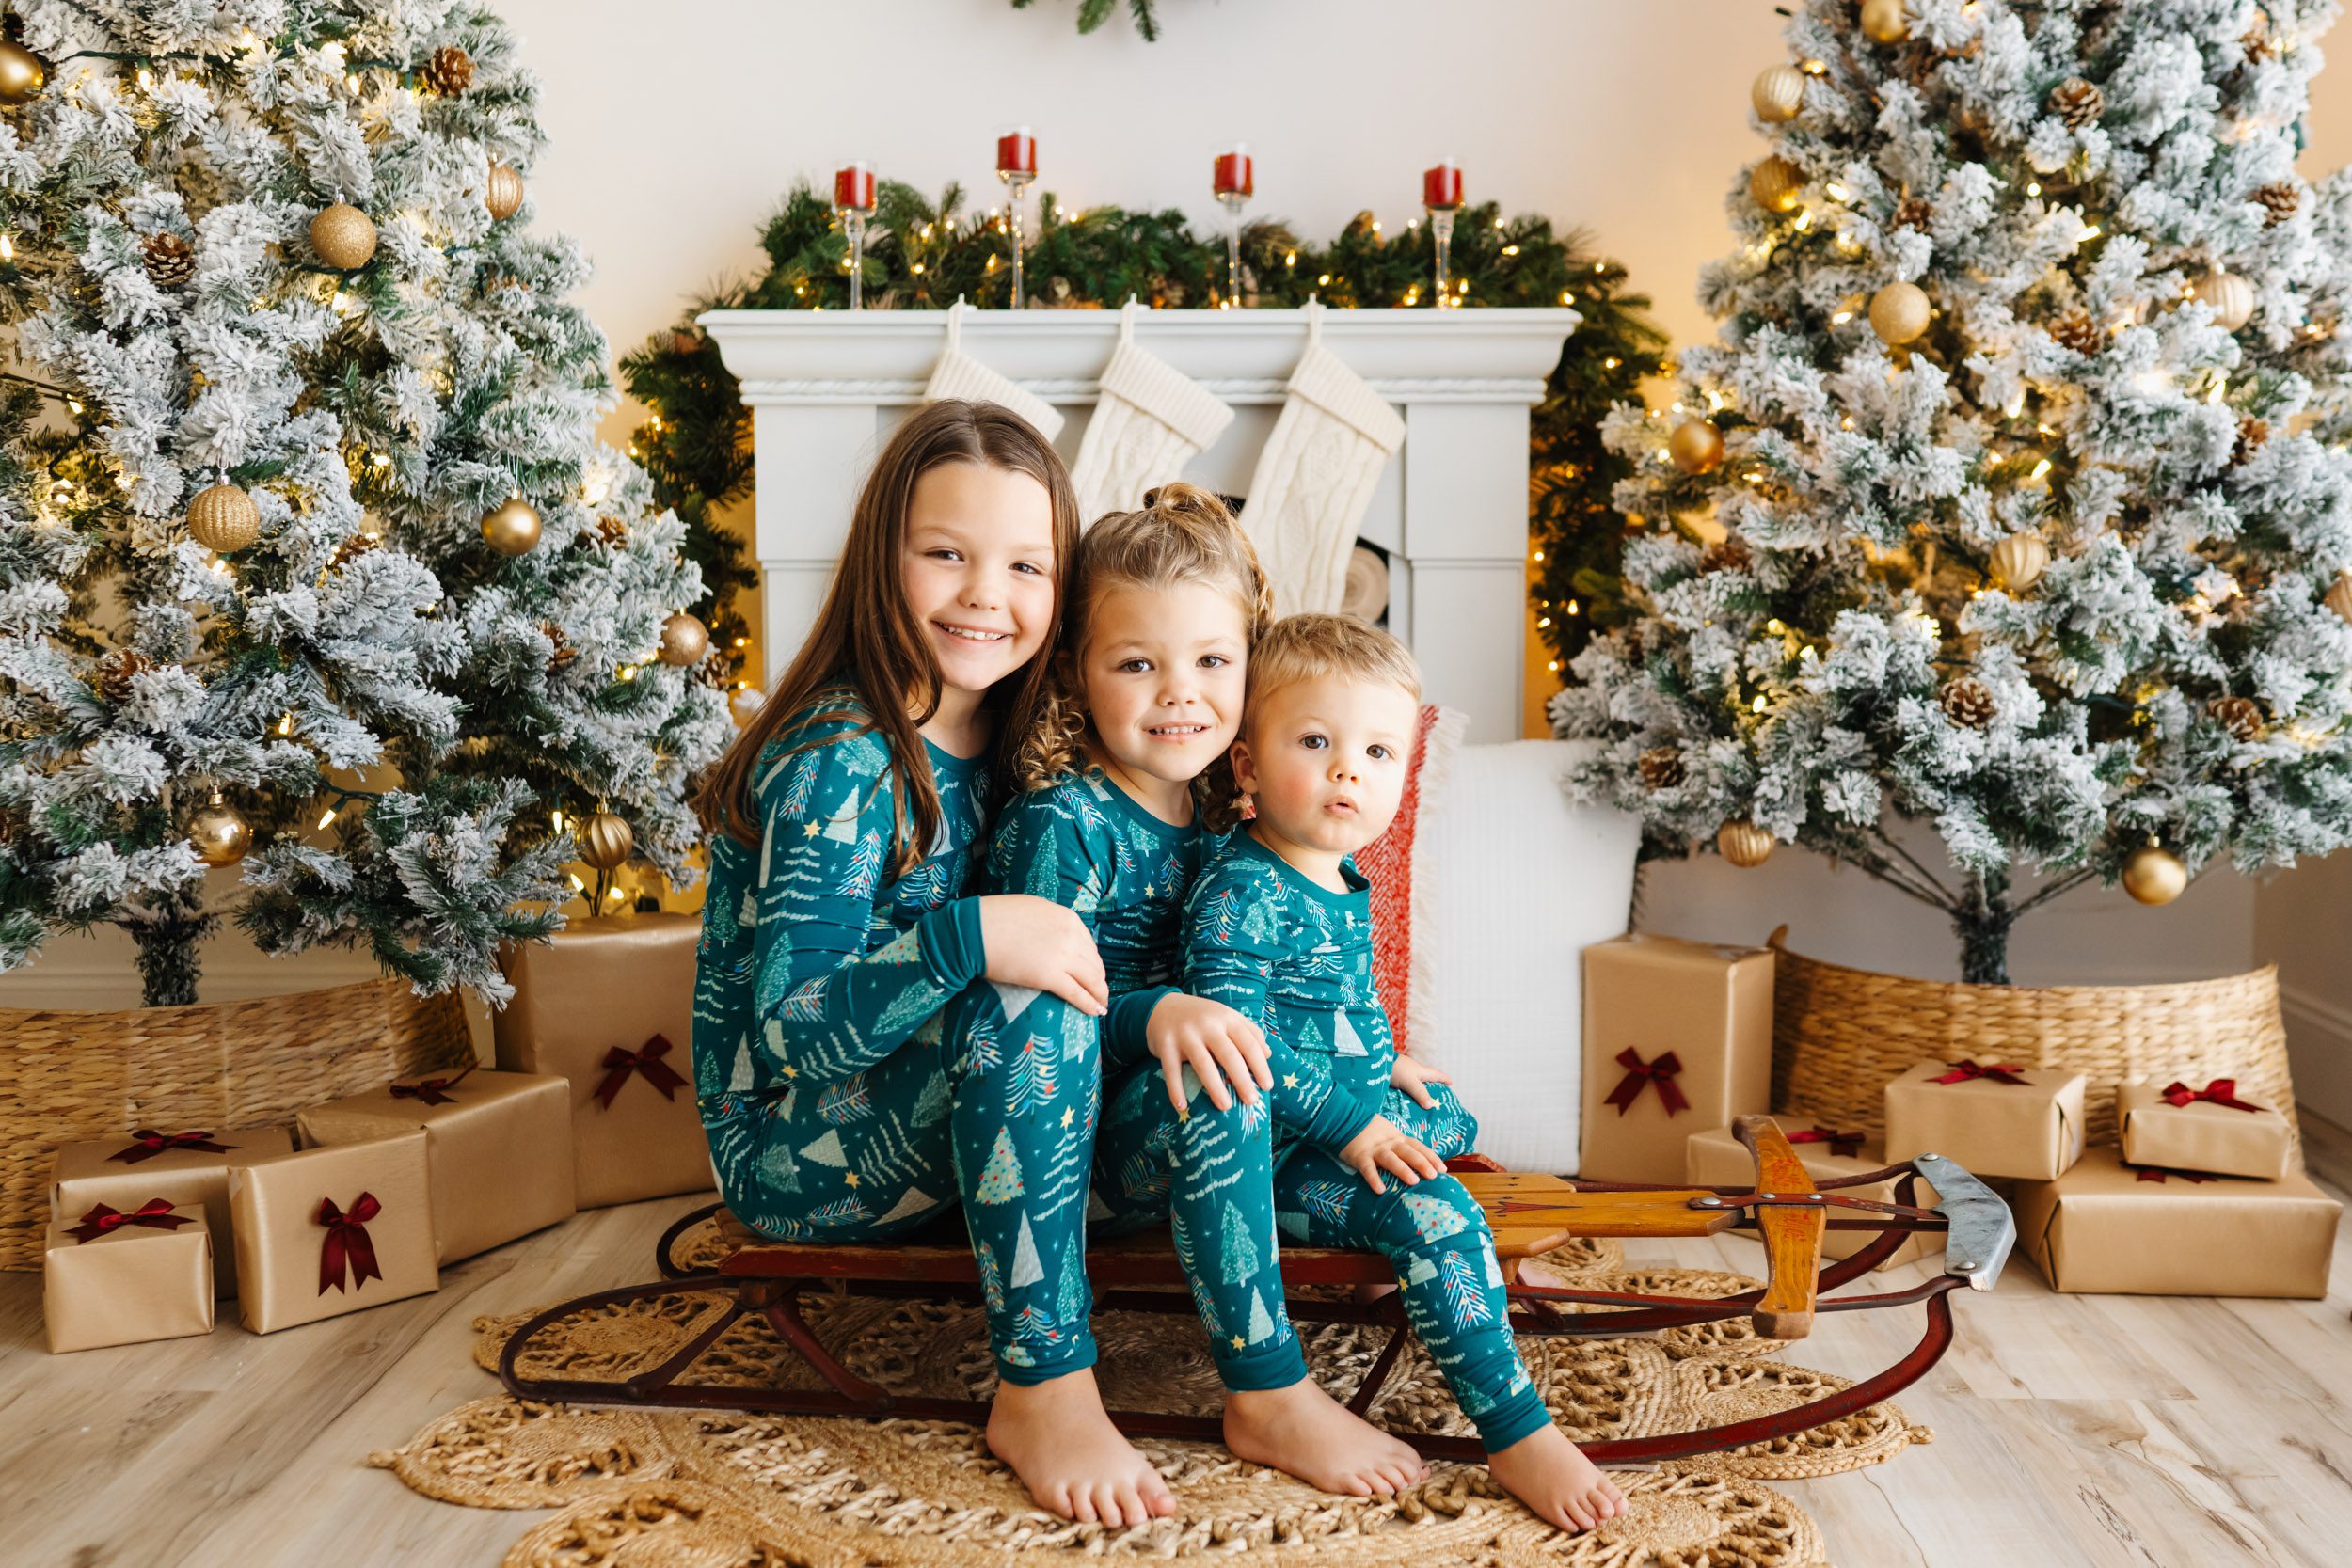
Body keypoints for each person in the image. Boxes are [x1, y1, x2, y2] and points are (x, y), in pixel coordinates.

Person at [686, 400, 1166, 1526]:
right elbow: (792, 1030)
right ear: (880, 558)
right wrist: (970, 933)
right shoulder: (842, 756)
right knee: (1030, 1004)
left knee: (1157, 1038)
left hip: (933, 1102)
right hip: (795, 1145)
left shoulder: (1018, 743)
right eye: (945, 553)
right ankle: (1042, 1384)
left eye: (1024, 565)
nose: (983, 594)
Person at [1132, 612, 1629, 1532]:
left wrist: (1386, 1064)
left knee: (1446, 1114)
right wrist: (1356, 1121)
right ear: (1244, 765)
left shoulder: (1340, 873)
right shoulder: (1241, 885)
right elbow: (1232, 1042)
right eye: (1314, 741)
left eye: (1375, 751)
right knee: (1434, 1206)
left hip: (1331, 1115)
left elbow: (1342, 1004)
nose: (1346, 770)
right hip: (1257, 1151)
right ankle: (1517, 1430)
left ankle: (1409, 1271)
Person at [937, 481, 1287, 1520]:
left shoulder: (1230, 814)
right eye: (1137, 663)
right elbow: (1036, 1013)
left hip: (1187, 1110)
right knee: (1214, 1085)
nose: (1180, 693)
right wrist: (1151, 1010)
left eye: (1212, 662)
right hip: (1069, 1153)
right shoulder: (1066, 822)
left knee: (1413, 1111)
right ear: (1075, 677)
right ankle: (1267, 1388)